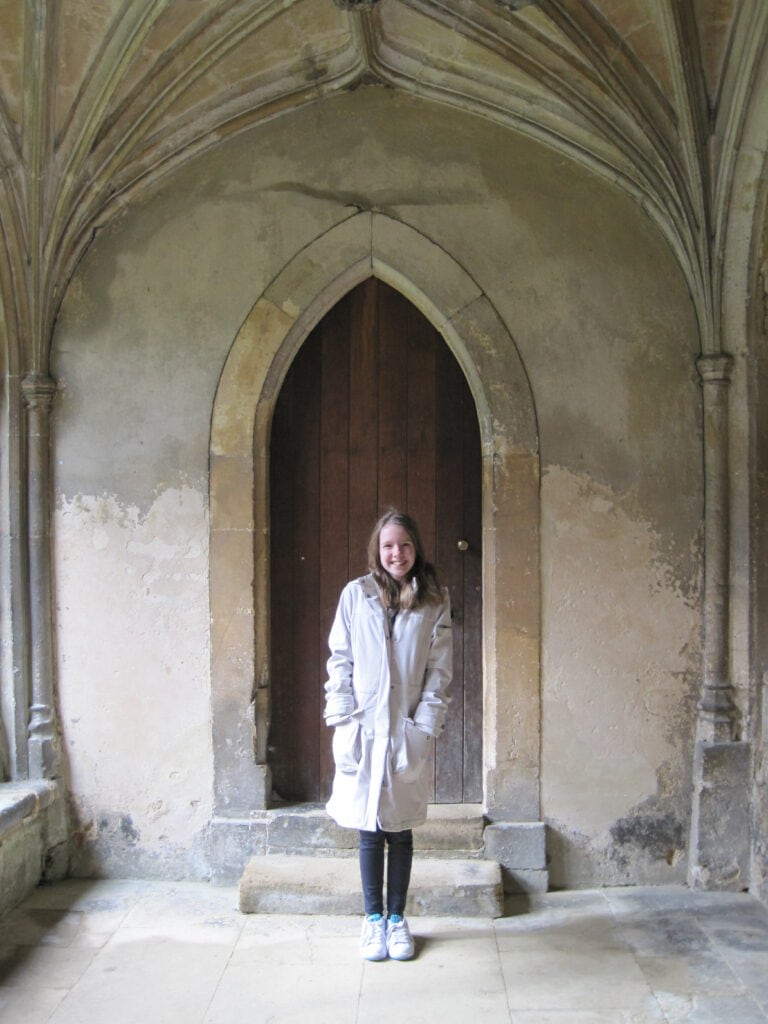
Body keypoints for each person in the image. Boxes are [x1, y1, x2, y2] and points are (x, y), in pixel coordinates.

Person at [324, 509, 452, 961]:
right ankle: (372, 919)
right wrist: (341, 721)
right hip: (363, 729)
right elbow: (340, 659)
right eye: (388, 546)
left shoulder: (434, 600)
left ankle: (398, 920)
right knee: (368, 829)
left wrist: (422, 729)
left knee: (399, 830)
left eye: (405, 545)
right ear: (377, 550)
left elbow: (439, 672)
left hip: (403, 732)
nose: (396, 553)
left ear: (416, 549)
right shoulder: (355, 596)